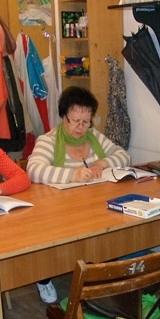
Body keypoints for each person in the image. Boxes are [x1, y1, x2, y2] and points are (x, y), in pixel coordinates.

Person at [27, 86, 132, 303]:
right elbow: (33, 170)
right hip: (58, 212)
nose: (80, 127)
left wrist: (102, 163)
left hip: (92, 207)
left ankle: (100, 265)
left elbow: (124, 156)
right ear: (63, 116)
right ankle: (43, 275)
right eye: (75, 121)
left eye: (86, 122)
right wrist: (71, 174)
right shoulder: (48, 140)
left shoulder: (93, 137)